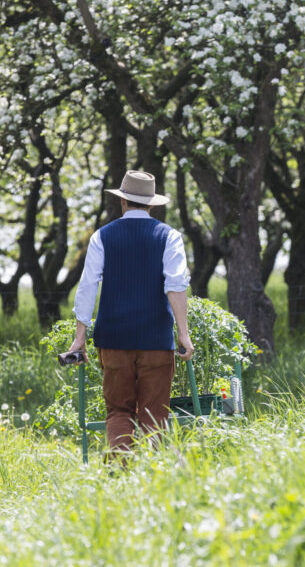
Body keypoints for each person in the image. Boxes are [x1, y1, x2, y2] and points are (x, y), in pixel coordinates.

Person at [66, 169, 193, 453]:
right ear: (151, 204)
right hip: (156, 340)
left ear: (122, 201)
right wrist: (183, 334)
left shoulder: (102, 236)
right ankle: (152, 472)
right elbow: (175, 286)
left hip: (113, 340)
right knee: (154, 412)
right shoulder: (169, 236)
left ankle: (119, 471)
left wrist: (79, 337)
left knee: (119, 411)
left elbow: (87, 286)